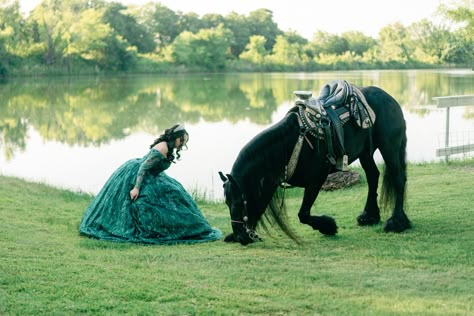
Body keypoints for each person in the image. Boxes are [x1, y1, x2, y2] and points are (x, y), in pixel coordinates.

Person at [79, 124, 222, 244]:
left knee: (175, 191)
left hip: (152, 175)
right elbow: (143, 168)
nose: (183, 144)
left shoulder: (169, 147)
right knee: (145, 203)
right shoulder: (163, 148)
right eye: (182, 141)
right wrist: (136, 188)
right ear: (176, 138)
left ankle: (195, 226)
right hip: (138, 175)